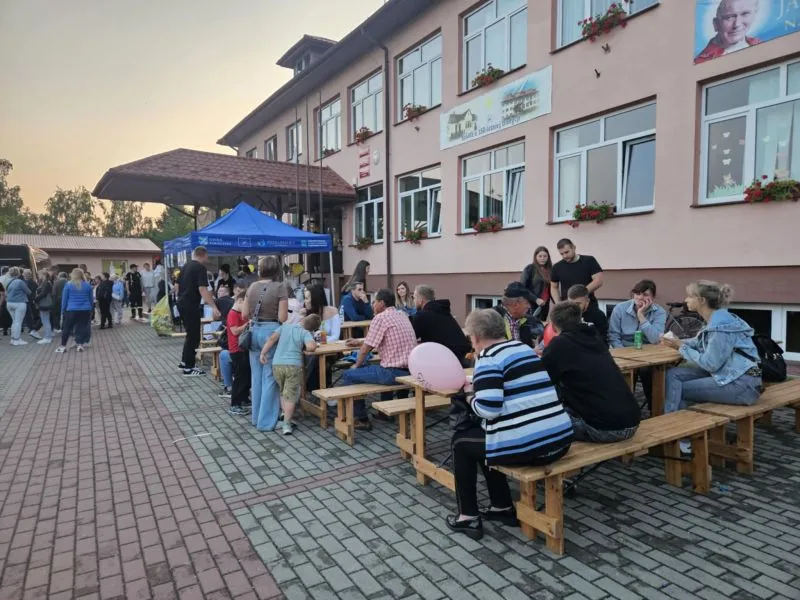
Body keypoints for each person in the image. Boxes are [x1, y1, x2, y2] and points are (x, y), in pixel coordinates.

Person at [448, 309, 573, 540]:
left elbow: (488, 410)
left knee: (461, 443)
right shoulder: (523, 349)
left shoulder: (488, 358)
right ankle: (501, 506)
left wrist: (469, 395)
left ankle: (468, 516)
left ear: (476, 336)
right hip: (560, 439)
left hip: (536, 447)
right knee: (485, 437)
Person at [661, 281, 762, 452]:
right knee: (673, 374)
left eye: (689, 296)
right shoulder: (718, 319)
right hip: (732, 375)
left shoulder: (719, 327)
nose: (685, 300)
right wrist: (676, 342)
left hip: (742, 385)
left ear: (701, 300)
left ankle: (678, 437)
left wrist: (681, 347)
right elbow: (699, 342)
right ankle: (675, 430)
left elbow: (710, 364)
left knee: (677, 390)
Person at [541, 302, 640, 442]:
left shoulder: (559, 344)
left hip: (606, 429)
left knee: (541, 419)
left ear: (554, 326)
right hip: (632, 421)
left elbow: (541, 380)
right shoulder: (594, 336)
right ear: (579, 318)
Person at [342, 288, 417, 430]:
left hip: (392, 374)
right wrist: (360, 342)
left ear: (382, 303)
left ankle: (361, 419)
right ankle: (384, 414)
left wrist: (356, 365)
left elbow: (365, 350)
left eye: (374, 302)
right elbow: (377, 339)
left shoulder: (380, 318)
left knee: (349, 375)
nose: (372, 305)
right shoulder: (402, 315)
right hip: (410, 371)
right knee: (383, 365)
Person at [242, 256, 289, 431]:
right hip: (271, 332)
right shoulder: (280, 287)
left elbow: (244, 314)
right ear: (277, 270)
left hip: (254, 331)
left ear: (260, 269)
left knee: (256, 376)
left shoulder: (252, 287)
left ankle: (256, 418)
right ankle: (266, 422)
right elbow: (282, 318)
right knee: (270, 377)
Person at [608, 279, 667, 405]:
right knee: (626, 372)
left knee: (649, 372)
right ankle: (626, 407)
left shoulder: (659, 312)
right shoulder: (620, 308)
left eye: (645, 294)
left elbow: (656, 339)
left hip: (648, 352)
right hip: (624, 350)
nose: (640, 297)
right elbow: (613, 335)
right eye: (637, 293)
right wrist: (625, 355)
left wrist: (641, 316)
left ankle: (654, 407)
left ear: (653, 297)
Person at [261, 314, 321, 434]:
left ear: (303, 319)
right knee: (291, 396)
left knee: (283, 391)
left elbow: (272, 339)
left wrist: (263, 353)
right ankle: (287, 425)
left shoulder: (285, 326)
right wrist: (309, 345)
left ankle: (284, 414)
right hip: (293, 366)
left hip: (277, 364)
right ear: (313, 329)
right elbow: (311, 347)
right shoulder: (305, 332)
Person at [177, 247, 221, 376]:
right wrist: (213, 306)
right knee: (194, 336)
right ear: (203, 255)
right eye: (207, 256)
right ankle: (189, 368)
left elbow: (177, 285)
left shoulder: (185, 266)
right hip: (191, 304)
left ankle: (185, 362)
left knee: (190, 334)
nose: (207, 258)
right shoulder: (200, 268)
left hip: (182, 303)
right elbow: (202, 289)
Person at [411, 284, 472, 366]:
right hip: (464, 356)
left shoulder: (421, 316)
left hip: (448, 360)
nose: (413, 300)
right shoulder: (443, 311)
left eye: (414, 297)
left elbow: (411, 338)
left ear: (420, 300)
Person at [694, 0, 761, 64]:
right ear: (716, 24)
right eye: (729, 17)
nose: (737, 24)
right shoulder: (701, 62)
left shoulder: (758, 44)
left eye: (744, 14)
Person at [224, 289, 252, 417]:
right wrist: (247, 325)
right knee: (240, 377)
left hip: (243, 349)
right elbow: (234, 331)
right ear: (240, 301)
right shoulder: (232, 314)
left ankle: (244, 399)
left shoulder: (240, 313)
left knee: (246, 376)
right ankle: (235, 404)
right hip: (236, 350)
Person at [550, 239, 603, 307]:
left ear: (574, 248)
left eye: (567, 252)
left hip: (588, 305)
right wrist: (558, 304)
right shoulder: (557, 267)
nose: (564, 256)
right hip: (568, 307)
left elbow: (598, 281)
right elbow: (553, 286)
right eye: (562, 254)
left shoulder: (589, 260)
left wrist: (579, 294)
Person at [493, 282, 544, 348]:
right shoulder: (492, 319)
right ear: (516, 305)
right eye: (526, 303)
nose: (529, 306)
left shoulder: (532, 321)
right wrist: (529, 351)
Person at [56, 268, 94, 353]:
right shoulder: (87, 285)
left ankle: (63, 346)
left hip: (71, 309)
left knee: (67, 328)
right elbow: (91, 299)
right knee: (81, 327)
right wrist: (91, 309)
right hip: (85, 310)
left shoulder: (68, 285)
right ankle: (80, 345)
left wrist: (63, 310)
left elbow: (64, 299)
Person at [520, 246, 553, 321]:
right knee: (531, 324)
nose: (542, 258)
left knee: (541, 324)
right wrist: (536, 299)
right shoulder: (530, 268)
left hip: (545, 304)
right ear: (535, 257)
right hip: (531, 304)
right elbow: (522, 288)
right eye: (540, 256)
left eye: (545, 256)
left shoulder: (550, 269)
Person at [6, 268, 31, 346]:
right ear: (18, 273)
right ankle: (17, 339)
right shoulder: (20, 282)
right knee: (18, 322)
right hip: (19, 303)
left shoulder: (9, 281)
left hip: (9, 303)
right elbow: (29, 292)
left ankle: (13, 339)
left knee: (14, 321)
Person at [34, 271, 55, 344]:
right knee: (45, 320)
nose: (38, 276)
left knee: (45, 320)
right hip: (44, 303)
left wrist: (35, 299)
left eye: (39, 274)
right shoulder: (46, 282)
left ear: (43, 275)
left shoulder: (46, 283)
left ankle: (47, 337)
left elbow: (43, 293)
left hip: (44, 304)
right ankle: (48, 337)